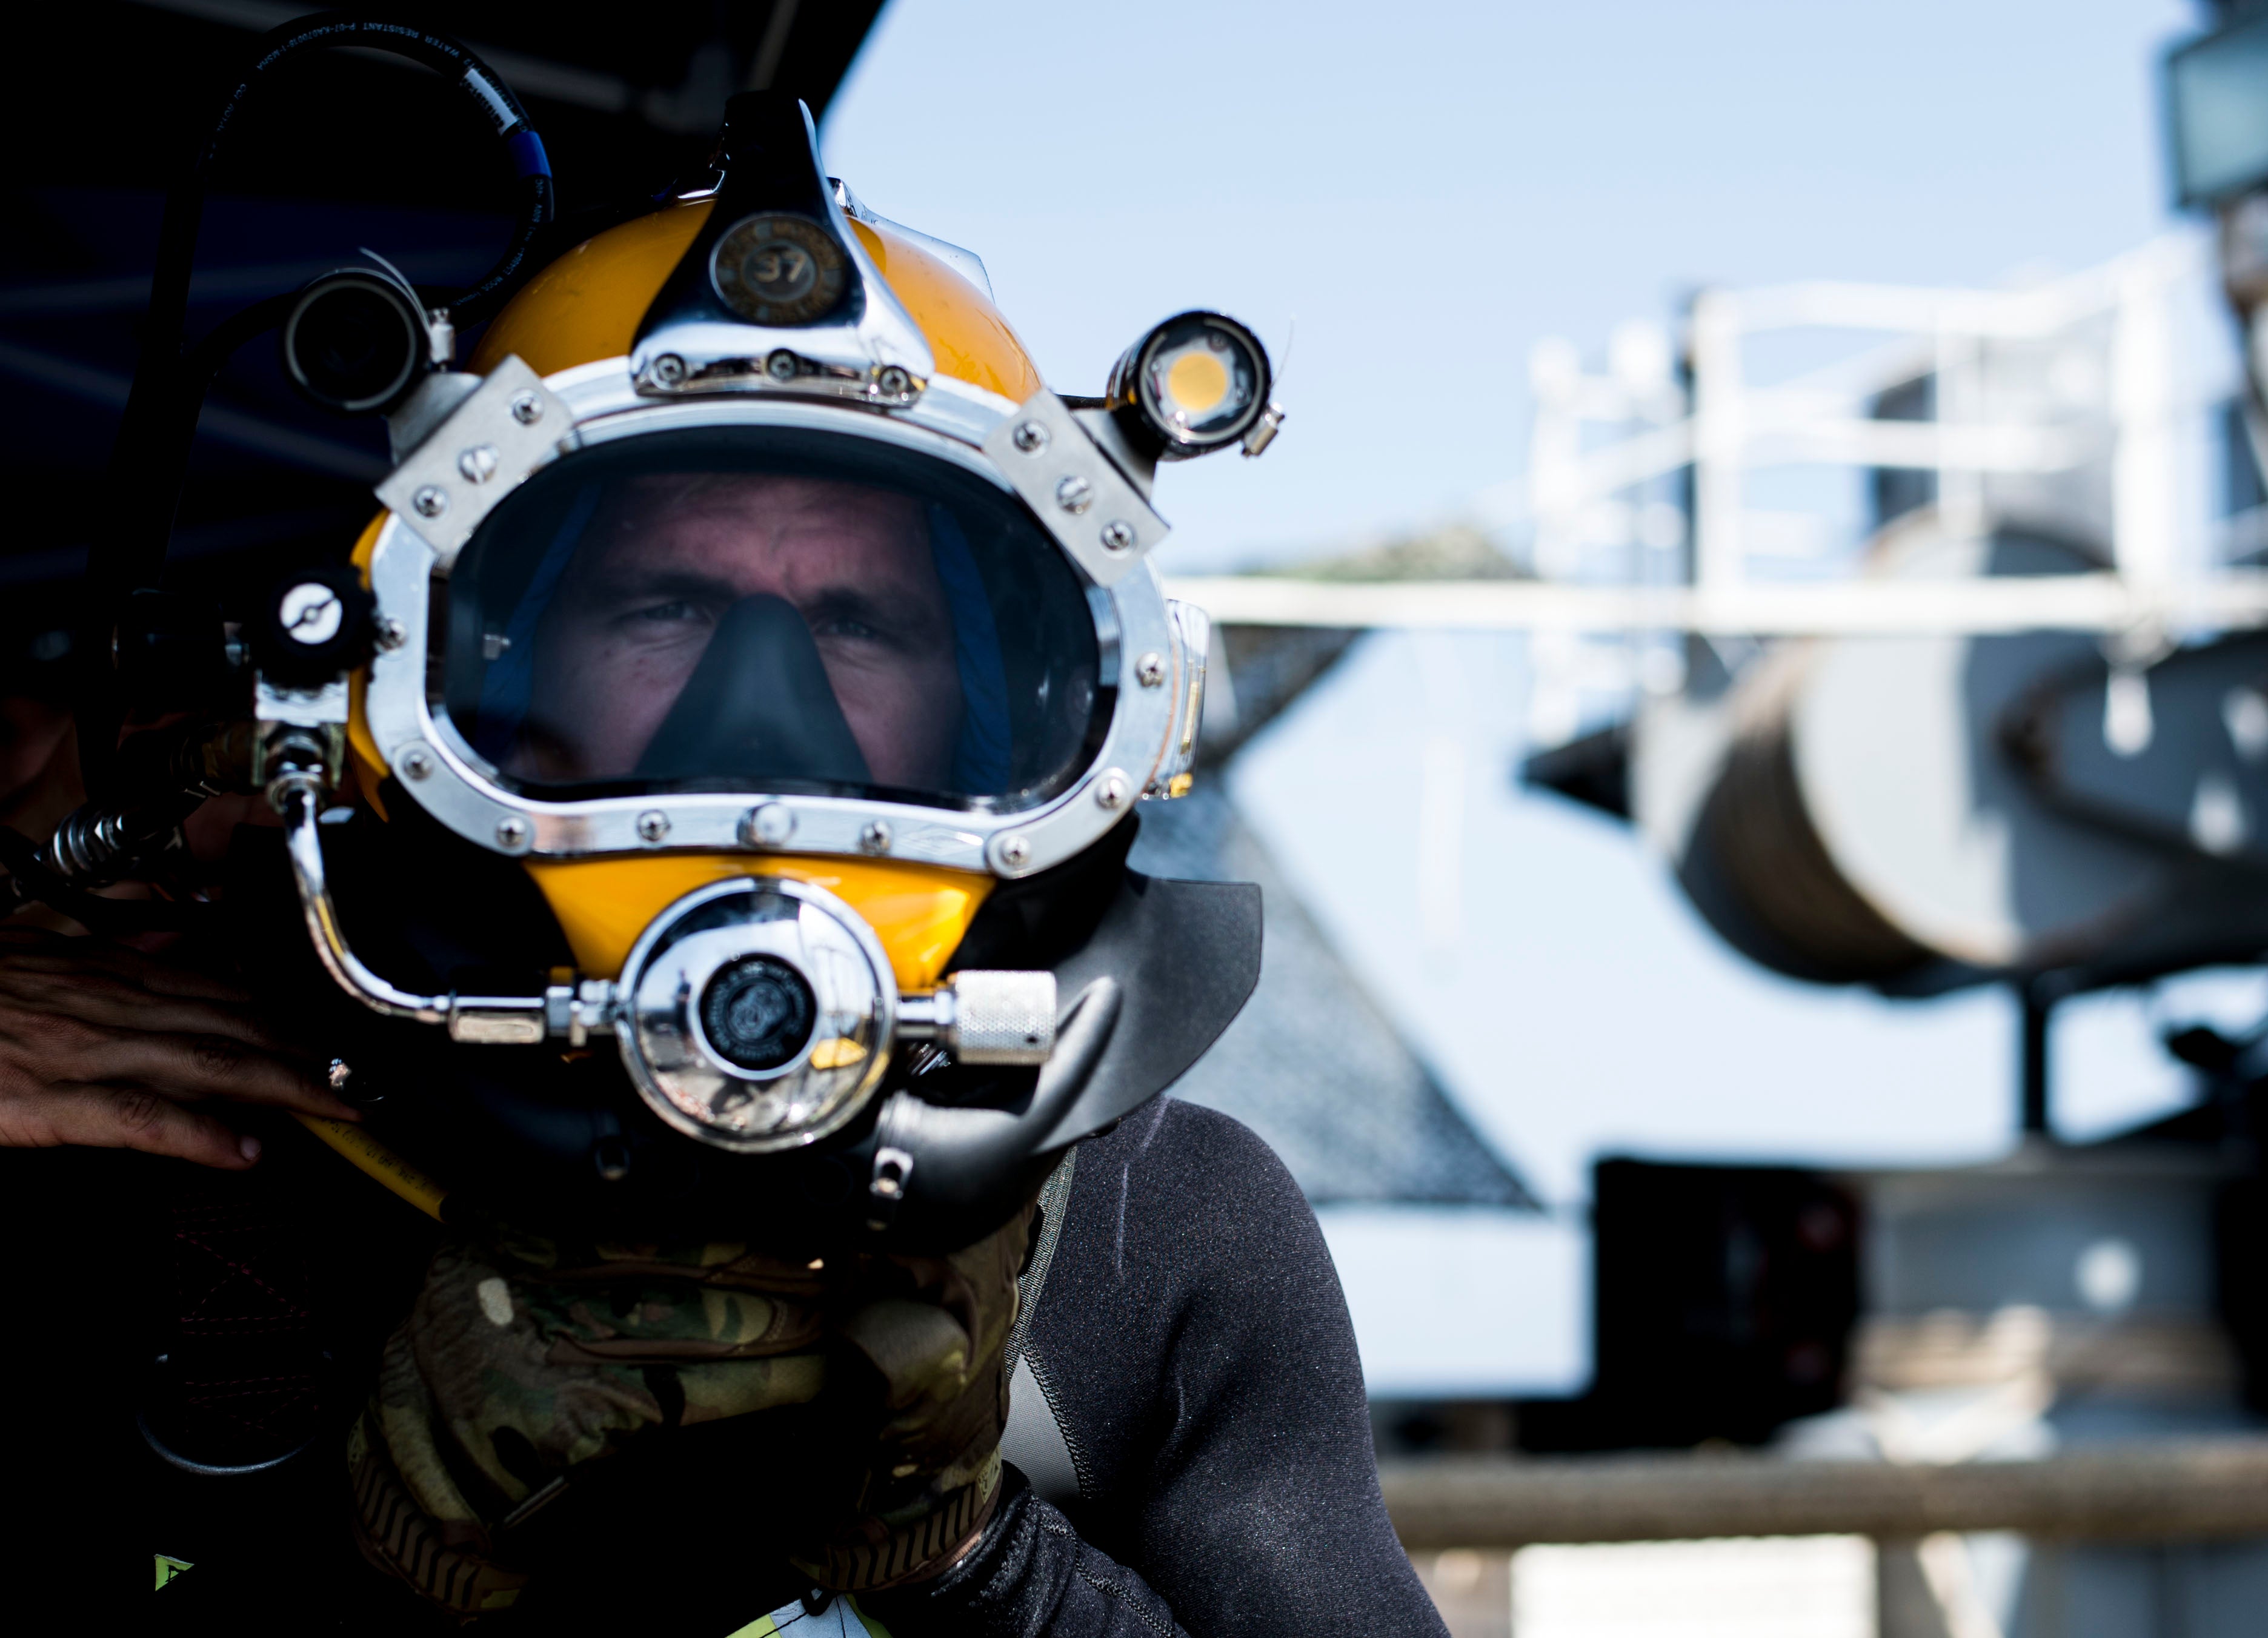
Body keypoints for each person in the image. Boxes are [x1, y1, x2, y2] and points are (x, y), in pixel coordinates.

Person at [2, 88, 1448, 1637]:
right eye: (664, 606)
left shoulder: (1156, 1227)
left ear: (1027, 705)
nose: (761, 713)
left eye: (858, 622)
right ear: (442, 665)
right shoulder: (147, 1150)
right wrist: (374, 1571)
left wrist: (969, 1559)